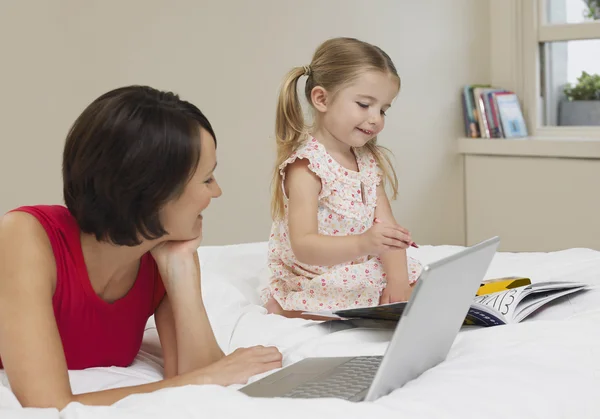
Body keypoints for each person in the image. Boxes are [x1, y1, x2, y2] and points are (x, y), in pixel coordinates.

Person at [0, 86, 282, 409]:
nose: (216, 192)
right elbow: (47, 404)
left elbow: (210, 377)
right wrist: (203, 378)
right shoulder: (24, 237)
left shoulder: (160, 260)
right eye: (207, 180)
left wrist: (182, 271)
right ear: (153, 195)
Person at [261, 37, 423, 318]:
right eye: (364, 105)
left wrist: (397, 282)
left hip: (359, 261)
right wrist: (364, 243)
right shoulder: (306, 167)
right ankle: (288, 306)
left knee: (420, 282)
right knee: (351, 301)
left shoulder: (367, 161)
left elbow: (388, 229)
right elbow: (305, 246)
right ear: (322, 99)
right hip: (317, 271)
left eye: (383, 109)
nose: (376, 119)